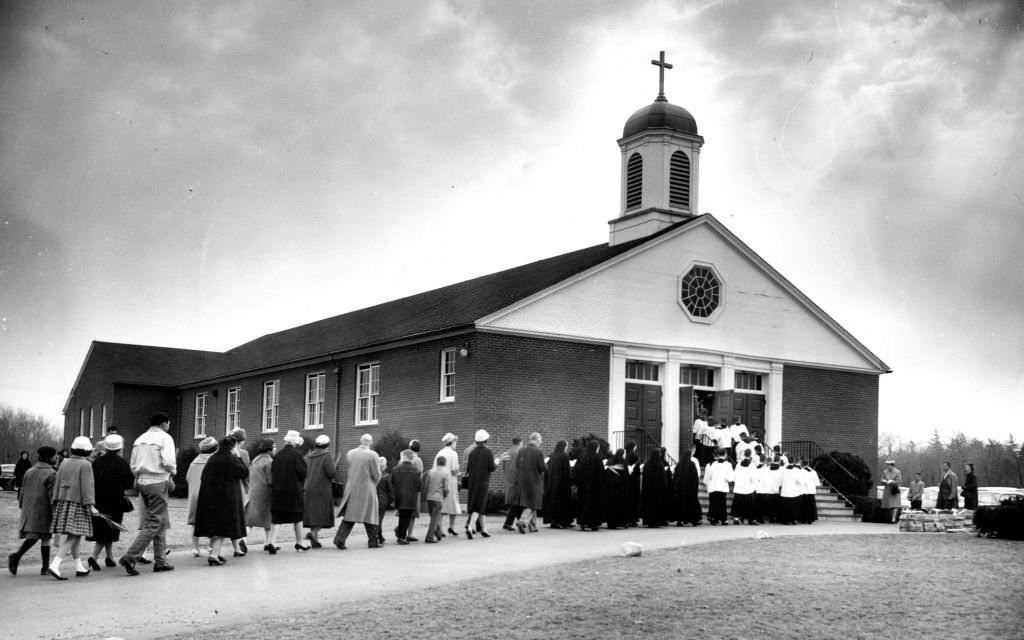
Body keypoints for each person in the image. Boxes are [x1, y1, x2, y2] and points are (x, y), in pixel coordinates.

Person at [119, 412, 176, 576]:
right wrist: (171, 473)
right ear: (164, 423)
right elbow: (169, 462)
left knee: (160, 520)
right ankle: (131, 556)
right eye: (168, 424)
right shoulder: (165, 438)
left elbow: (133, 464)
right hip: (158, 481)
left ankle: (160, 561)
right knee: (155, 521)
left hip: (142, 481)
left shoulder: (139, 439)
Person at [48, 436, 100, 580]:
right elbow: (87, 487)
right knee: (74, 536)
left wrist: (55, 500)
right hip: (78, 503)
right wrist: (91, 506)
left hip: (63, 501)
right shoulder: (85, 465)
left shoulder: (64, 462)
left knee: (75, 536)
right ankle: (55, 564)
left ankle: (79, 566)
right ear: (87, 450)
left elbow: (57, 483)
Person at [193, 437, 249, 566]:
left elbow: (204, 476)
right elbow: (243, 472)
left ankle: (216, 553)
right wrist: (239, 457)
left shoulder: (213, 458)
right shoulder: (231, 459)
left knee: (216, 527)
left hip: (209, 497)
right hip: (226, 498)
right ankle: (214, 555)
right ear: (233, 446)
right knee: (222, 528)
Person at [86, 434, 134, 570]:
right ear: (119, 448)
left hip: (99, 499)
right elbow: (129, 482)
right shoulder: (122, 463)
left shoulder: (97, 462)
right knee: (110, 529)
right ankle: (93, 557)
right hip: (115, 500)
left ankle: (109, 557)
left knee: (105, 528)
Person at [8, 446, 57, 576]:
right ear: (50, 458)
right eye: (54, 456)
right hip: (43, 510)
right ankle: (16, 556)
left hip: (29, 508)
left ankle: (44, 566)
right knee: (38, 537)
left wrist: (22, 505)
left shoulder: (29, 471)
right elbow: (52, 496)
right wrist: (55, 511)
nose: (56, 458)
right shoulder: (52, 473)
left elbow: (22, 491)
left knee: (42, 536)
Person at [333, 434, 382, 549]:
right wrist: (375, 483)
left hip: (352, 487)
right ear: (371, 442)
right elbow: (377, 474)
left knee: (350, 515)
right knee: (370, 515)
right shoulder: (373, 455)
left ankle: (340, 538)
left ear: (360, 441)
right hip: (367, 488)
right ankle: (373, 541)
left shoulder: (351, 453)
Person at [272, 430, 308, 551]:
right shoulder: (297, 455)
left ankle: (271, 541)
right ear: (296, 443)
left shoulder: (278, 455)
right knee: (297, 517)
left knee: (277, 517)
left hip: (278, 490)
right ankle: (299, 542)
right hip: (294, 490)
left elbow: (273, 470)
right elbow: (303, 472)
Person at [186, 436, 219, 557]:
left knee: (195, 522)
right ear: (215, 449)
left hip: (195, 495)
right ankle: (211, 547)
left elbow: (188, 478)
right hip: (210, 495)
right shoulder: (215, 461)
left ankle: (195, 548)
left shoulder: (194, 462)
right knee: (213, 521)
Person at [303, 434, 336, 548]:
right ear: (327, 445)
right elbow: (331, 472)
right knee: (322, 514)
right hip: (322, 488)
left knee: (313, 515)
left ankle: (315, 540)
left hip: (308, 488)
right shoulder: (327, 456)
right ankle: (313, 534)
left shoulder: (308, 456)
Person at [245, 438, 278, 553]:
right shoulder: (269, 462)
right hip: (265, 492)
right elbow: (270, 479)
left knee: (250, 519)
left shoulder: (255, 460)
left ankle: (243, 540)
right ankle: (268, 542)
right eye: (274, 447)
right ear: (269, 449)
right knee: (268, 518)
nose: (275, 449)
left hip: (253, 490)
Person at [462, 430, 497, 538]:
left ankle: (484, 529)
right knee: (478, 506)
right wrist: (496, 462)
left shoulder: (472, 452)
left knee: (480, 505)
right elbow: (491, 467)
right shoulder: (488, 452)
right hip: (483, 482)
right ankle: (470, 527)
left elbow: (468, 468)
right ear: (486, 440)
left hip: (472, 482)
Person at [514, 432, 546, 534]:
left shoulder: (521, 450)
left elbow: (517, 464)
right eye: (540, 439)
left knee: (528, 501)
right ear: (536, 439)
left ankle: (533, 526)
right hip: (534, 480)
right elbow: (542, 468)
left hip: (523, 480)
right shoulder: (538, 452)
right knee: (533, 504)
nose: (541, 441)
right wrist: (546, 464)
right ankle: (522, 521)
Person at [390, 450, 422, 544]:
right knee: (407, 516)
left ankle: (401, 535)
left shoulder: (395, 469)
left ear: (403, 457)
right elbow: (419, 485)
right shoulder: (416, 470)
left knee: (402, 516)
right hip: (411, 496)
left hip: (399, 495)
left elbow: (393, 483)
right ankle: (401, 537)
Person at [228, 428, 251, 556]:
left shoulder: (224, 452)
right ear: (241, 441)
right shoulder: (244, 453)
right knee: (240, 515)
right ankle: (242, 539)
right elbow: (245, 471)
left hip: (228, 486)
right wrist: (248, 486)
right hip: (240, 486)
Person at [434, 433, 462, 537]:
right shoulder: (453, 454)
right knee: (453, 504)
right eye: (456, 442)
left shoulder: (439, 453)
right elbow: (454, 470)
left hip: (440, 482)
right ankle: (451, 526)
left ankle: (440, 528)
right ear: (452, 442)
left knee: (441, 506)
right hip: (450, 481)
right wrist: (458, 472)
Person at [574, 439, 604, 531]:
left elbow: (576, 470)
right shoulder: (597, 458)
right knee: (593, 505)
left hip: (583, 486)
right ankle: (593, 524)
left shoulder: (581, 456)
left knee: (583, 503)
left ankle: (582, 523)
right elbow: (600, 473)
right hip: (594, 487)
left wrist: (578, 482)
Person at [543, 439, 572, 529]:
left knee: (553, 503)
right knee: (561, 503)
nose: (567, 448)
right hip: (561, 484)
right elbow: (566, 472)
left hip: (551, 484)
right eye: (566, 446)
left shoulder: (552, 455)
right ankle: (562, 521)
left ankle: (553, 521)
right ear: (563, 447)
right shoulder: (564, 456)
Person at [703, 448, 734, 525]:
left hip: (713, 487)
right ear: (725, 455)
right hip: (722, 487)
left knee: (713, 503)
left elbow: (708, 477)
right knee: (722, 504)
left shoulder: (711, 464)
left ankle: (714, 518)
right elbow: (730, 478)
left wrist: (707, 484)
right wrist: (727, 479)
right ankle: (723, 519)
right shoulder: (728, 465)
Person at [671, 449, 702, 526]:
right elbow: (695, 477)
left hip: (680, 490)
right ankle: (693, 520)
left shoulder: (679, 465)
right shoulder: (692, 464)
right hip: (690, 490)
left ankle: (680, 520)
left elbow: (675, 477)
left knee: (680, 505)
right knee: (691, 504)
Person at [423, 456, 450, 543]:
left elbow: (426, 485)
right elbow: (446, 489)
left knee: (433, 517)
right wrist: (444, 496)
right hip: (438, 498)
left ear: (437, 462)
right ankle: (429, 537)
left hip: (429, 498)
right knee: (434, 518)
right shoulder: (445, 474)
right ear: (445, 463)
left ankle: (438, 533)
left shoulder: (430, 472)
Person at [641, 448, 670, 527]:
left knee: (650, 506)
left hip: (648, 490)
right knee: (656, 506)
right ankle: (656, 522)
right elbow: (662, 478)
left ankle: (649, 521)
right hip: (657, 490)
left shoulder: (647, 464)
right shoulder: (659, 464)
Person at [602, 449, 630, 529]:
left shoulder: (610, 461)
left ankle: (611, 523)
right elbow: (626, 476)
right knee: (621, 506)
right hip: (621, 488)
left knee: (612, 506)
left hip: (612, 488)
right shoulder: (623, 463)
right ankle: (622, 522)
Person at [500, 437, 523, 531]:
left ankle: (518, 521)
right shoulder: (520, 453)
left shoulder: (506, 453)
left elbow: (504, 468)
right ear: (520, 443)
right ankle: (509, 523)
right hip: (517, 481)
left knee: (516, 503)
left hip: (508, 480)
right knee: (517, 503)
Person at [731, 449, 757, 525]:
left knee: (738, 504)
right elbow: (754, 477)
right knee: (750, 505)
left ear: (744, 455)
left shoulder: (739, 464)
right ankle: (751, 519)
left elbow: (734, 476)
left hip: (739, 488)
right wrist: (755, 484)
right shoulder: (752, 465)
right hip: (748, 488)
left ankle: (736, 518)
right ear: (750, 455)